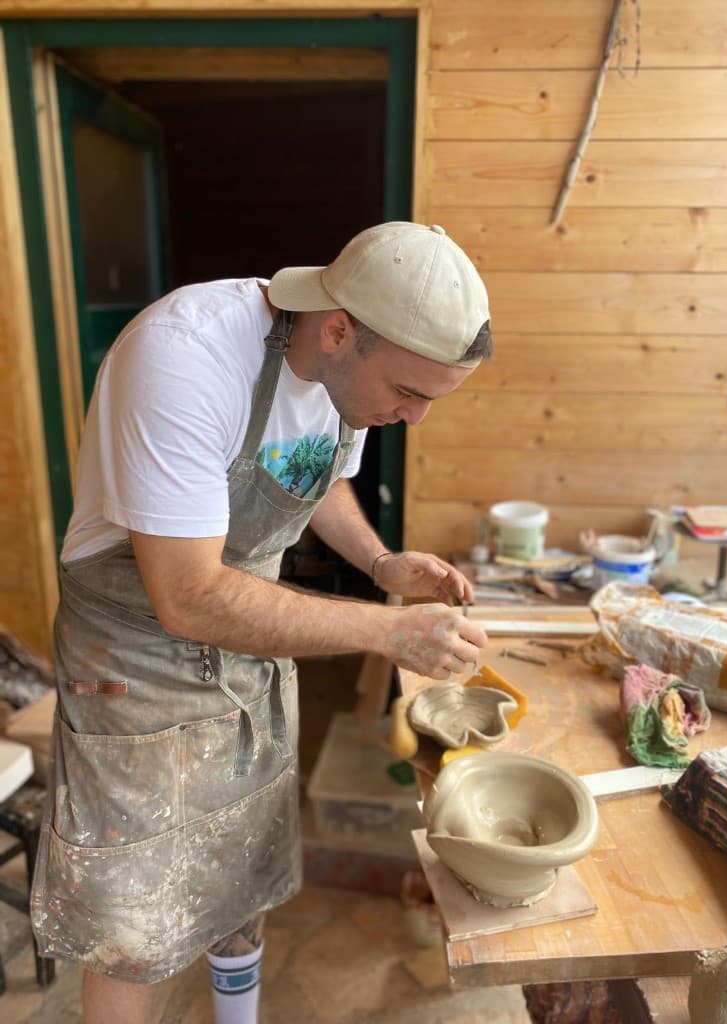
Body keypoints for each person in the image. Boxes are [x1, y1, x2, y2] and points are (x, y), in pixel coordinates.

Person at [30, 221, 492, 1024]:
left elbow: (315, 476)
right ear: (339, 328)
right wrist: (384, 631)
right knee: (132, 924)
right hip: (135, 664)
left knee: (243, 874)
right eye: (410, 393)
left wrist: (381, 564)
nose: (415, 418)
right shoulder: (184, 358)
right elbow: (188, 597)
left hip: (246, 655)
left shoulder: (347, 378)